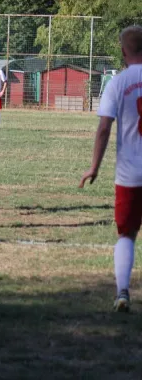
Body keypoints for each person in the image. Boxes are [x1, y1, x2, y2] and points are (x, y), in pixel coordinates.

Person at [79, 25, 142, 313]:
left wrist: (94, 166)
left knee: (126, 235)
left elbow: (104, 128)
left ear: (123, 50)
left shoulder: (117, 83)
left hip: (129, 174)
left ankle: (122, 293)